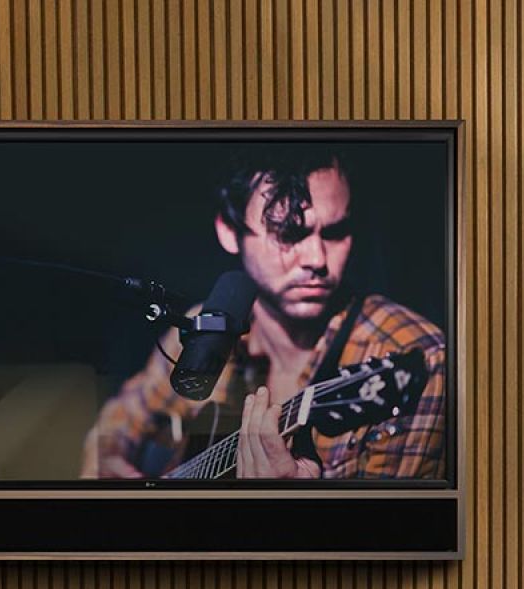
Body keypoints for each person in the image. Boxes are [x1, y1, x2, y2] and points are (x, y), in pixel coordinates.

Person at [80, 148, 448, 480]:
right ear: (229, 231)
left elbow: (389, 547)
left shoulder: (417, 356)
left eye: (335, 232)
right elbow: (119, 420)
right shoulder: (202, 329)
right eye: (288, 233)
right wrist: (106, 456)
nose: (317, 259)